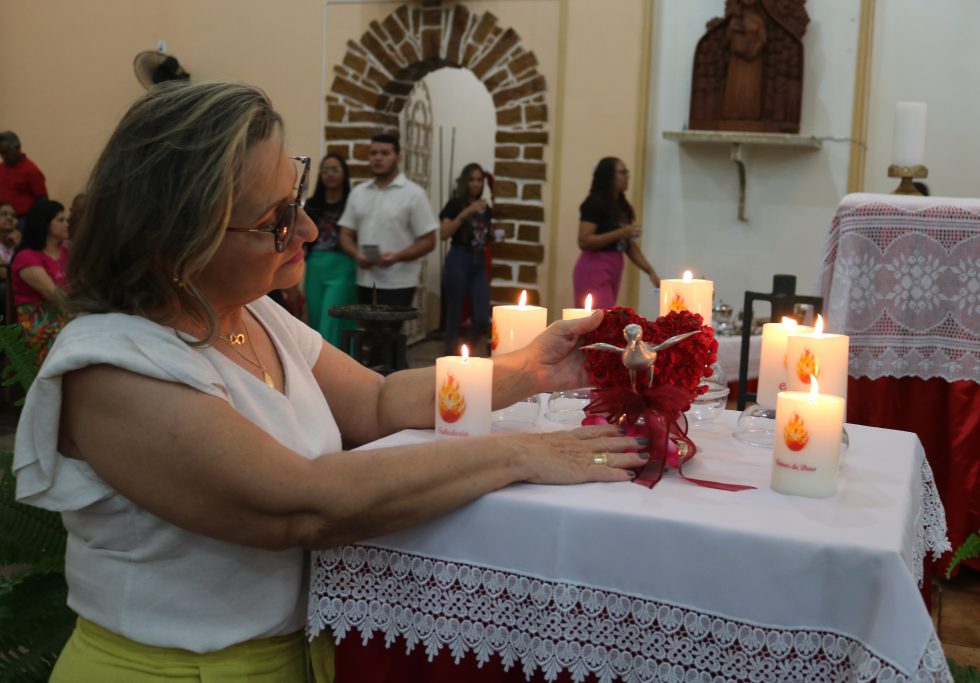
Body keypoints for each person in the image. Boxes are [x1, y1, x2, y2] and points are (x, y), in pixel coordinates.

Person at [12, 81, 646, 682]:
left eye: (299, 201)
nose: (309, 231)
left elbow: (376, 401)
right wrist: (518, 453)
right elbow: (306, 505)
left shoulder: (250, 313)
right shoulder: (115, 367)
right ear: (178, 238)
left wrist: (529, 370)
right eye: (277, 219)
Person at [338, 133, 437, 369]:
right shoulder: (359, 192)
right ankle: (385, 379)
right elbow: (345, 235)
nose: (378, 158)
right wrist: (356, 254)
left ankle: (385, 380)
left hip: (398, 281)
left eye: (384, 153)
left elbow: (429, 240)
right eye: (374, 153)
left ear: (398, 157)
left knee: (388, 339)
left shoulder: (413, 194)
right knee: (371, 337)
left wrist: (397, 256)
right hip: (366, 278)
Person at [572, 157, 660, 310]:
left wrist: (650, 271)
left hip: (613, 268)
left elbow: (629, 246)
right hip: (594, 268)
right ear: (608, 176)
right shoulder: (594, 203)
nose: (627, 177)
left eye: (627, 172)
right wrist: (621, 232)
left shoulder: (621, 206)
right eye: (622, 172)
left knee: (606, 317)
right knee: (600, 318)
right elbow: (584, 241)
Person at [303, 153, 356, 348]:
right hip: (315, 266)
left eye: (335, 169)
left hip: (342, 265)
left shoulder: (352, 203)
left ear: (344, 173)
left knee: (331, 319)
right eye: (325, 170)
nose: (329, 174)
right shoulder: (311, 204)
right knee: (316, 318)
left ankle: (336, 362)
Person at [440, 162, 493, 356]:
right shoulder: (455, 204)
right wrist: (466, 212)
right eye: (471, 179)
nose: (476, 184)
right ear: (464, 182)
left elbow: (482, 236)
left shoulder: (485, 208)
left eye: (479, 180)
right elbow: (444, 233)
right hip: (458, 258)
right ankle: (449, 358)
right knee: (454, 315)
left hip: (478, 261)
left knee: (482, 316)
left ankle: (465, 352)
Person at [10, 199, 70, 363]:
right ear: (45, 224)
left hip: (66, 314)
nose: (67, 224)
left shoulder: (67, 251)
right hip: (40, 323)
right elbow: (54, 295)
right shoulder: (26, 257)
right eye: (60, 220)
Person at [0, 131, 49, 226]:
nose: (4, 157)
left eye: (6, 152)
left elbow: (43, 200)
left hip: (23, 220)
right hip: (2, 219)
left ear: (17, 147)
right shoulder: (1, 168)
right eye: (2, 153)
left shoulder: (30, 170)